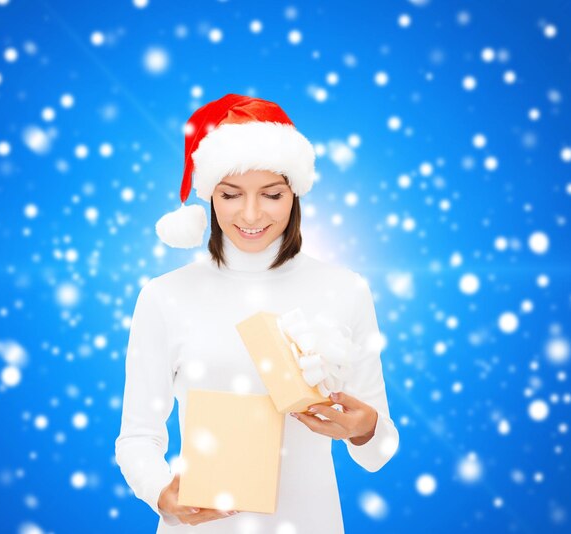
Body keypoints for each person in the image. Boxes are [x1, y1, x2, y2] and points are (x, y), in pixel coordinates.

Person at [114, 94, 399, 533]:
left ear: (294, 194)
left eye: (271, 194)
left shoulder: (344, 289)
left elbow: (376, 453)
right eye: (230, 195)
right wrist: (160, 492)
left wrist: (364, 430)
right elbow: (138, 436)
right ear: (209, 197)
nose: (250, 214)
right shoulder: (164, 297)